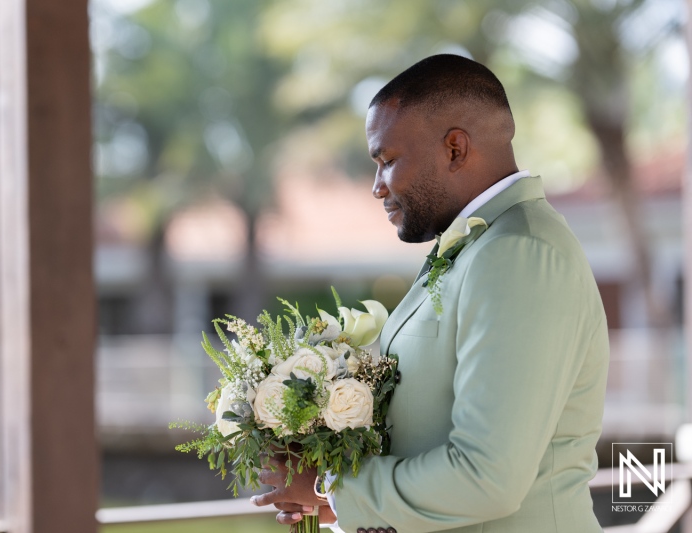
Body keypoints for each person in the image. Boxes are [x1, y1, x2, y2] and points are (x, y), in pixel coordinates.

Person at [250, 54, 609, 532]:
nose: (377, 187)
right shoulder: (472, 247)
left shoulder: (517, 253)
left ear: (455, 149)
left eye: (388, 160)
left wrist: (330, 487)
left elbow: (487, 477)